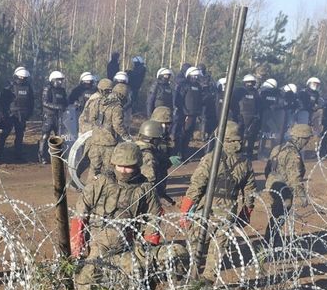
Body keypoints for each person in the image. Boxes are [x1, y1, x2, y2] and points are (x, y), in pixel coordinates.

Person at [70, 141, 162, 290]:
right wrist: (78, 244)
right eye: (120, 166)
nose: (124, 171)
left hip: (124, 256)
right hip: (94, 256)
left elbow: (153, 220)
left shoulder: (144, 189)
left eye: (129, 167)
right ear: (113, 164)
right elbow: (81, 213)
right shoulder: (99, 183)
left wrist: (147, 248)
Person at [178, 123, 255, 280]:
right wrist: (245, 214)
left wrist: (185, 211)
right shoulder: (245, 162)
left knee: (195, 244)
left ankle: (188, 274)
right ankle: (208, 280)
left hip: (207, 208)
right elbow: (250, 193)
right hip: (229, 212)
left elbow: (196, 186)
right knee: (218, 249)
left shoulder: (211, 159)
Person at [264, 124, 312, 250]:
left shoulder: (278, 148)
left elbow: (267, 168)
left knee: (276, 213)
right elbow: (295, 179)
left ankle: (272, 237)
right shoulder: (293, 155)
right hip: (283, 189)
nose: (307, 143)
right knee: (280, 215)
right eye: (306, 139)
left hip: (272, 183)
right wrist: (302, 196)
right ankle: (270, 240)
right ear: (300, 138)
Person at [81, 78, 128, 178]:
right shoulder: (117, 107)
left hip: (95, 141)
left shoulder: (97, 101)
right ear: (123, 95)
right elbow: (118, 126)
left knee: (94, 169)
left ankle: (90, 191)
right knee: (109, 171)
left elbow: (91, 118)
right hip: (109, 144)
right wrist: (127, 138)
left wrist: (99, 130)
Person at [134, 116, 174, 204]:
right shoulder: (148, 155)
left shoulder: (135, 147)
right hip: (140, 197)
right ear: (153, 139)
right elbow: (150, 182)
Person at [0, 67, 35, 159]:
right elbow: (2, 101)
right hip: (10, 114)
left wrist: (29, 113)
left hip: (22, 115)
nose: (22, 79)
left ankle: (18, 154)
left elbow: (31, 102)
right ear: (16, 76)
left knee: (19, 135)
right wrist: (4, 114)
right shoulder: (9, 87)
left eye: (24, 78)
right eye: (20, 77)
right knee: (5, 133)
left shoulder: (29, 88)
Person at [173, 67, 205, 157]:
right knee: (181, 134)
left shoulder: (198, 87)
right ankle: (177, 153)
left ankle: (184, 153)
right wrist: (184, 113)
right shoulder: (184, 85)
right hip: (184, 115)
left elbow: (200, 101)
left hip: (193, 116)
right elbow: (179, 100)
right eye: (193, 76)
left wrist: (199, 114)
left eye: (197, 76)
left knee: (188, 135)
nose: (195, 78)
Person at [40, 71, 69, 159]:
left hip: (59, 117)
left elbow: (65, 102)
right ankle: (42, 156)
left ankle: (58, 156)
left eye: (61, 80)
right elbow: (45, 102)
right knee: (45, 136)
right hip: (49, 116)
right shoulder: (47, 89)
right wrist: (57, 106)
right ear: (52, 80)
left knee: (59, 136)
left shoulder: (62, 90)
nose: (60, 82)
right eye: (58, 80)